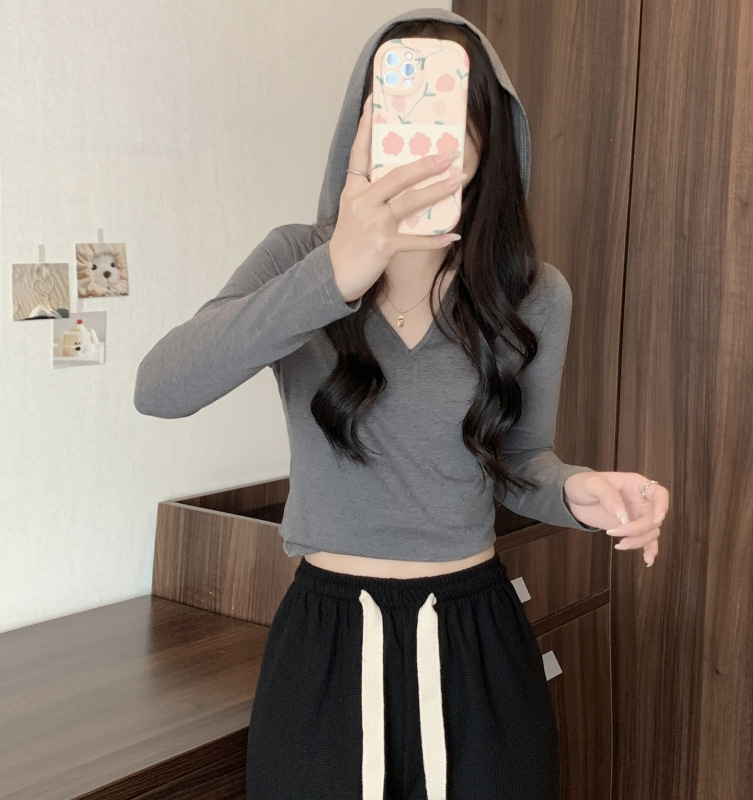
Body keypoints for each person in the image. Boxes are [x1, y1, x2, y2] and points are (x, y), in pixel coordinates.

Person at [134, 8, 669, 799]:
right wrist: (334, 276)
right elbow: (160, 388)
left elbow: (520, 461)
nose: (422, 130)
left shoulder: (532, 293)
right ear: (361, 124)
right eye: (394, 105)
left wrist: (577, 490)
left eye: (450, 108)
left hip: (476, 639)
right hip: (325, 645)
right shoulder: (296, 258)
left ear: (489, 133)